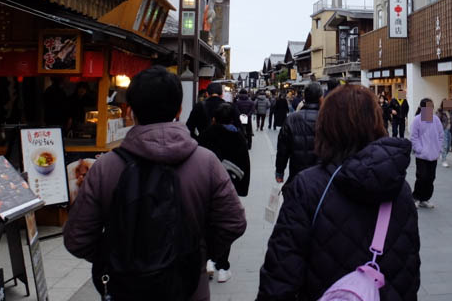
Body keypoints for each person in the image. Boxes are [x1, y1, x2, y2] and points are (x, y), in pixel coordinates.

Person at [63, 66, 247, 300]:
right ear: (179, 110)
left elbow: (76, 238)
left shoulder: (105, 168)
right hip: (189, 287)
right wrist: (197, 253)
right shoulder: (206, 163)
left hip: (125, 288)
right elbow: (234, 222)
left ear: (130, 112)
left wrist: (116, 255)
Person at [257, 85, 420, 300]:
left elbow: (280, 277)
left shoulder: (307, 186)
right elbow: (408, 270)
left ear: (327, 125)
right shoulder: (399, 187)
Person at [199, 103, 251, 283]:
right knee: (224, 223)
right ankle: (222, 267)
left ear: (214, 119)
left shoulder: (206, 135)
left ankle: (208, 261)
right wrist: (243, 188)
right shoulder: (238, 136)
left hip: (206, 184)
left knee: (207, 221)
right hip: (230, 184)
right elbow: (245, 163)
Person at [275, 82, 322, 185]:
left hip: (297, 172)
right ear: (320, 98)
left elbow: (283, 149)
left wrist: (279, 171)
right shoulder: (328, 118)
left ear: (304, 97)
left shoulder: (292, 119)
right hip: (321, 176)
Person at [410, 98, 444, 209]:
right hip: (422, 155)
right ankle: (416, 197)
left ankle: (425, 198)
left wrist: (438, 148)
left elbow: (441, 135)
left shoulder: (436, 120)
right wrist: (420, 149)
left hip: (433, 155)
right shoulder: (417, 120)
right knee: (421, 177)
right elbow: (413, 137)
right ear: (422, 108)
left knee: (431, 178)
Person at [438, 99, 452, 168]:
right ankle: (444, 160)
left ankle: (442, 154)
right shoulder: (440, 112)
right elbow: (438, 121)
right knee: (445, 145)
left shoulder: (450, 112)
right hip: (444, 130)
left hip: (450, 130)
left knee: (449, 146)